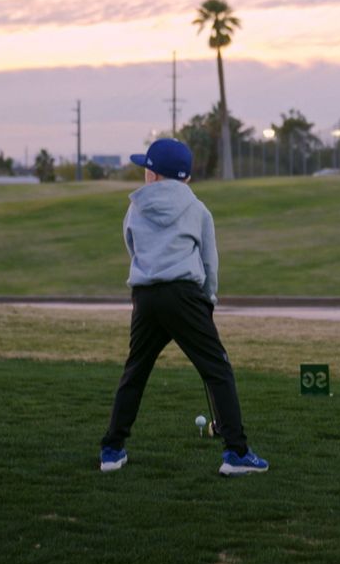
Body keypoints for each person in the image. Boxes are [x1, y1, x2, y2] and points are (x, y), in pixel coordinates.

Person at [99, 138, 268, 476]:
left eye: (146, 169)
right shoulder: (197, 210)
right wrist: (209, 298)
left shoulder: (134, 208)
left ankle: (112, 451)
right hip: (184, 295)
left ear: (154, 175)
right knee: (217, 369)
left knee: (136, 372)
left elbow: (133, 248)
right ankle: (236, 453)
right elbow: (209, 262)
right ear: (186, 178)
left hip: (146, 297)